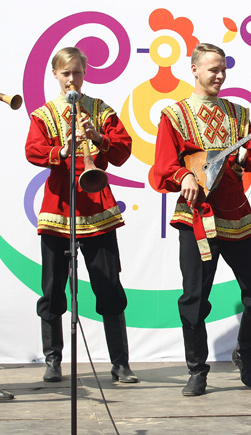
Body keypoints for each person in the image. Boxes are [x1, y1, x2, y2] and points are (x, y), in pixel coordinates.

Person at [153, 43, 251, 397]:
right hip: (197, 217)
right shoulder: (175, 115)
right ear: (194, 69)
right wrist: (184, 176)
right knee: (194, 298)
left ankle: (245, 353)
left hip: (236, 215)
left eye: (223, 69)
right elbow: (163, 167)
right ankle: (197, 370)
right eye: (213, 69)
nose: (220, 75)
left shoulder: (238, 114)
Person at [25, 47, 138, 384]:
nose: (72, 79)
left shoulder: (100, 110)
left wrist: (96, 137)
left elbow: (123, 151)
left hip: (97, 207)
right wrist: (62, 149)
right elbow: (32, 150)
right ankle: (53, 360)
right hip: (59, 206)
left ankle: (120, 363)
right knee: (52, 289)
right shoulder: (44, 114)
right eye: (66, 73)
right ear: (55, 75)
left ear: (85, 73)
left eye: (77, 72)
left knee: (109, 287)